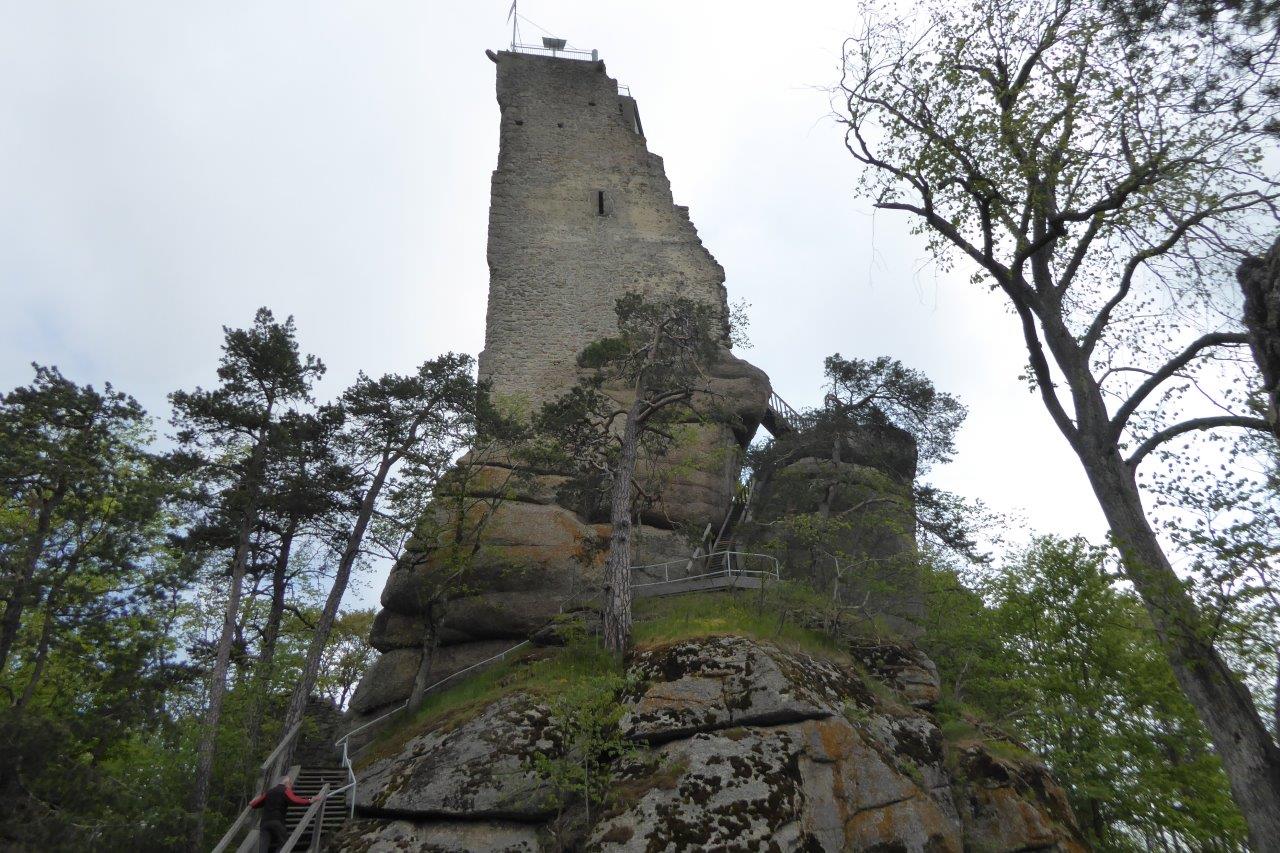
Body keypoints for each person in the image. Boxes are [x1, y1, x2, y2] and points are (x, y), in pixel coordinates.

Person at [248, 774, 317, 853]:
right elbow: (294, 800)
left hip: (264, 823)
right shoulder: (285, 790)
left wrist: (252, 802)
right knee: (284, 843)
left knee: (263, 848)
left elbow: (255, 804)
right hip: (277, 821)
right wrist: (309, 800)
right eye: (290, 783)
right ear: (286, 783)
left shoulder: (269, 792)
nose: (291, 786)